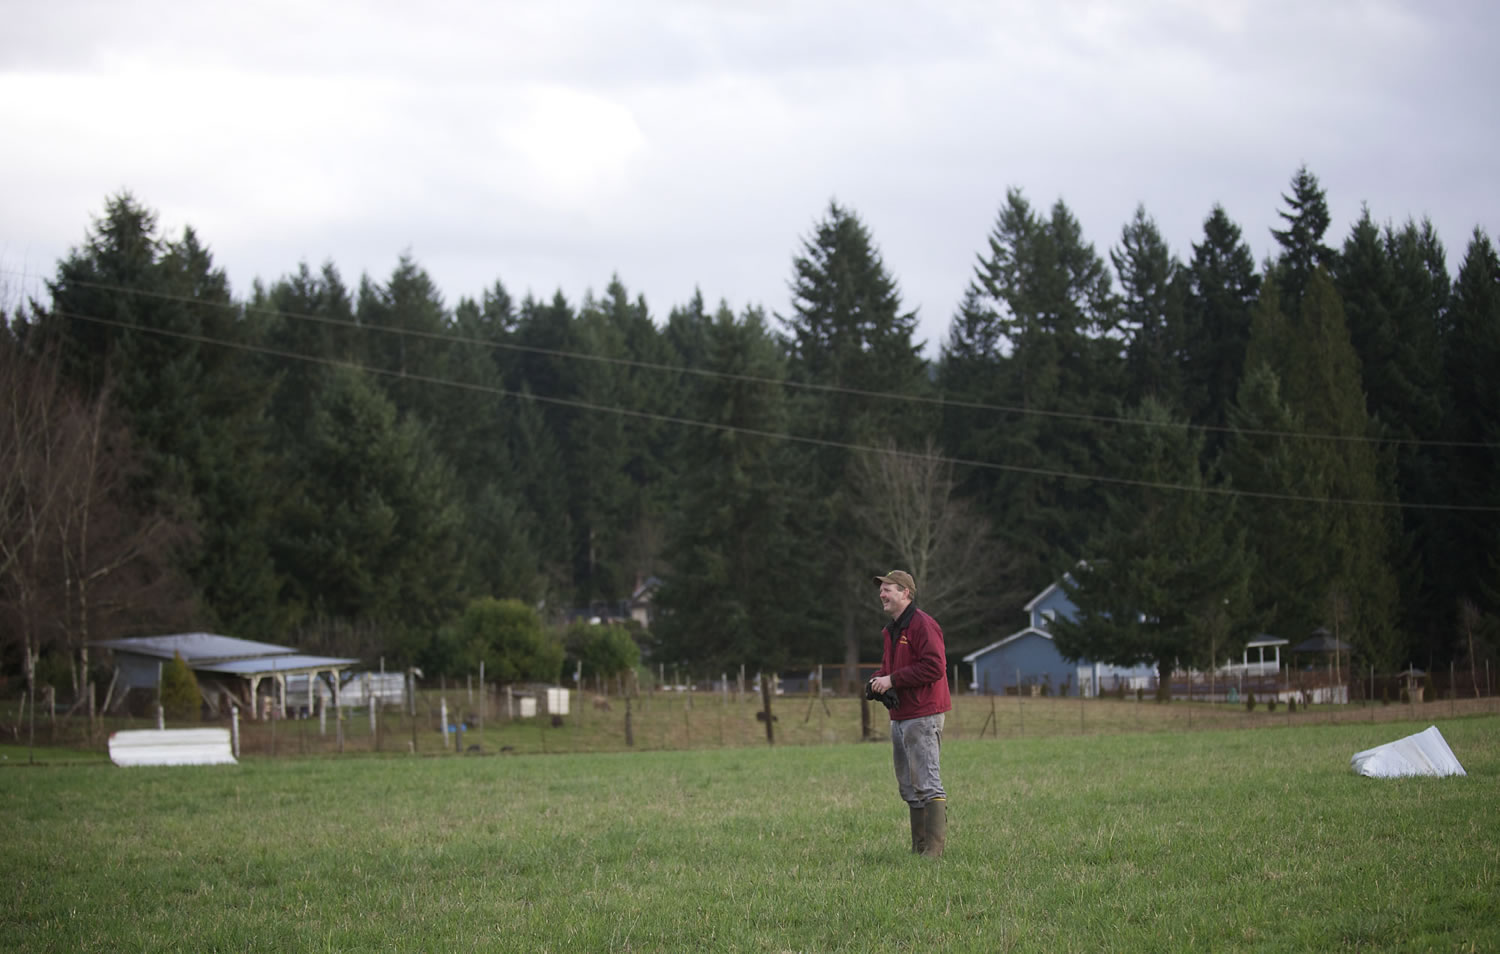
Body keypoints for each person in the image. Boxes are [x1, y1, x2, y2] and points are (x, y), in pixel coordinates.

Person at [868, 569, 951, 857]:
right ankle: (919, 847)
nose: (882, 593)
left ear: (906, 593)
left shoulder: (922, 625)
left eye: (888, 588)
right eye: (881, 589)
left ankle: (934, 851)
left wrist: (892, 680)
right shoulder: (892, 630)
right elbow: (890, 669)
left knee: (927, 782)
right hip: (901, 715)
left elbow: (934, 667)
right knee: (908, 786)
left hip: (923, 714)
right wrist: (878, 681)